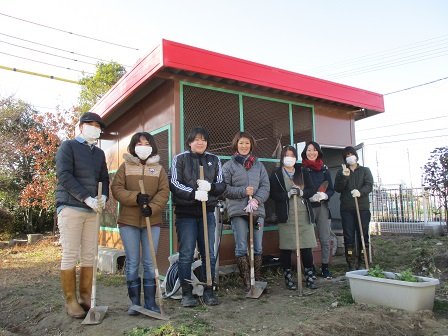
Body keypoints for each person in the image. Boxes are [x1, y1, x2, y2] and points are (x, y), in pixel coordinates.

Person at [55, 112, 109, 318]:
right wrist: (86, 197)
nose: (94, 128)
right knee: (70, 253)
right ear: (81, 126)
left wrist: (103, 196)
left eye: (98, 125)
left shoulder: (99, 153)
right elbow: (64, 175)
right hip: (70, 207)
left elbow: (104, 177)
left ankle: (86, 297)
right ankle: (71, 301)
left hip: (92, 210)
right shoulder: (68, 146)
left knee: (89, 254)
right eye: (90, 124)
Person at [111, 132, 169, 315]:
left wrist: (152, 207)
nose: (143, 145)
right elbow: (116, 189)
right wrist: (135, 197)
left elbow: (164, 191)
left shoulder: (158, 169)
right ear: (133, 146)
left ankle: (150, 302)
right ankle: (135, 303)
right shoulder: (125, 166)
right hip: (128, 221)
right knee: (133, 260)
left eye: (147, 142)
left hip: (152, 220)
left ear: (152, 146)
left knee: (150, 262)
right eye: (139, 142)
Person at [169, 127, 226, 307]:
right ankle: (187, 292)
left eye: (203, 139)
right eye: (196, 139)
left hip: (207, 212)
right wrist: (193, 194)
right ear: (190, 142)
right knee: (186, 253)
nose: (200, 142)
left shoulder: (214, 159)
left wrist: (210, 188)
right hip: (186, 213)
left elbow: (221, 183)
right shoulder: (180, 159)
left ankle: (208, 288)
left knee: (208, 252)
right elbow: (174, 182)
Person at [222, 132, 270, 292]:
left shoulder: (259, 165)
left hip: (257, 210)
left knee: (257, 247)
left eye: (247, 143)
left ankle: (256, 276)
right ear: (236, 144)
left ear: (251, 145)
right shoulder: (229, 166)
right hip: (238, 211)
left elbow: (265, 186)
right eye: (241, 143)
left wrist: (256, 200)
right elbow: (224, 189)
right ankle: (247, 281)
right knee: (242, 247)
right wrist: (243, 191)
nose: (244, 146)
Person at [270, 145, 317, 289]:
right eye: (286, 155)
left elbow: (311, 189)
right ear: (282, 157)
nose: (289, 158)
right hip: (287, 215)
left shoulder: (302, 171)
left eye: (292, 155)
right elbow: (273, 195)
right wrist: (287, 195)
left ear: (295, 157)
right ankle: (289, 279)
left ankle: (309, 277)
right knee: (286, 247)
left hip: (303, 213)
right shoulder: (276, 174)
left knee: (306, 247)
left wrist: (302, 193)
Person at [334, 146, 373, 271]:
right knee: (349, 236)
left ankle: (363, 260)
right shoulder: (341, 171)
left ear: (356, 156)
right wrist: (344, 177)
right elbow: (337, 188)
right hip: (347, 209)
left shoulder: (365, 170)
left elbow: (369, 185)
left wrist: (360, 192)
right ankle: (350, 262)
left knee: (363, 235)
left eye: (351, 154)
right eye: (347, 155)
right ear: (344, 159)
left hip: (362, 208)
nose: (349, 157)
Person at [301, 141, 335, 279]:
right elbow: (299, 187)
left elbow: (331, 188)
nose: (311, 152)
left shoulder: (324, 169)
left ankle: (325, 266)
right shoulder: (301, 169)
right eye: (309, 150)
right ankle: (309, 268)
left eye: (314, 150)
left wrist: (325, 195)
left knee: (325, 238)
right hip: (307, 206)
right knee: (308, 239)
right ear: (305, 152)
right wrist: (309, 196)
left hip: (322, 207)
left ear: (318, 152)